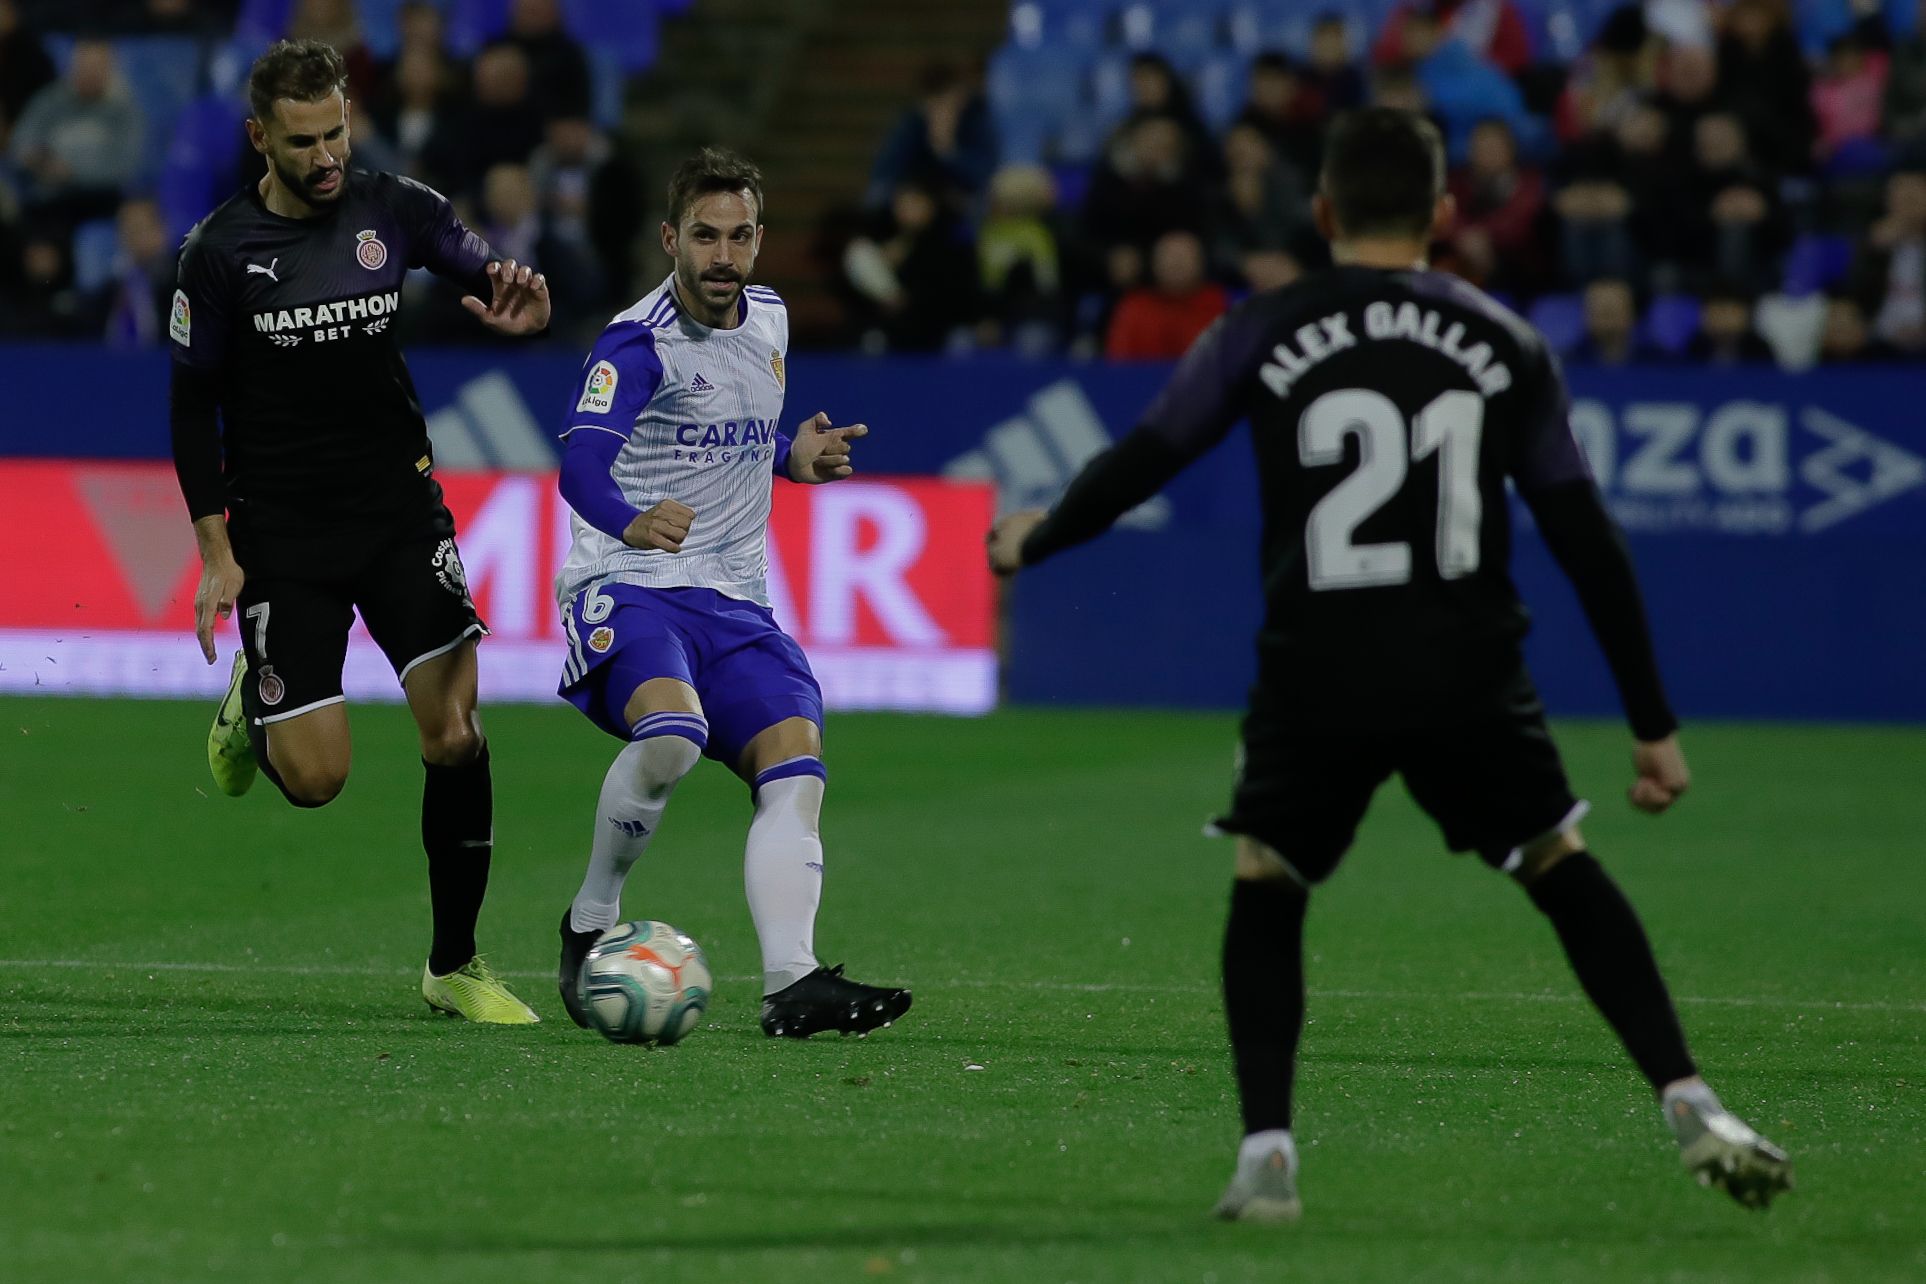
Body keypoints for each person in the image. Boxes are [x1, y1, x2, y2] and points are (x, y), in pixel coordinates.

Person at [986, 107, 1792, 1222]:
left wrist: (1038, 538)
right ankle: (1692, 1100)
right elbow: (1585, 542)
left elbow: (1145, 459)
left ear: (1320, 214)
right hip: (1468, 667)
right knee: (1558, 863)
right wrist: (1653, 724)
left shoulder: (1261, 328)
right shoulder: (1506, 340)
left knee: (1270, 878)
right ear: (1444, 217)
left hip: (1317, 666)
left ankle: (1267, 1154)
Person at [169, 40, 550, 1023]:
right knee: (316, 781)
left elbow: (477, 261)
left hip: (396, 511)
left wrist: (516, 295)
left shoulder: (393, 208)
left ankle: (455, 965)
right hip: (283, 533)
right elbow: (188, 409)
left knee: (456, 732)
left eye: (338, 129)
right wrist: (217, 550)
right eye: (305, 140)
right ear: (263, 138)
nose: (329, 152)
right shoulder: (218, 254)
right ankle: (259, 699)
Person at [551, 146, 912, 1041]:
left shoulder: (772, 318)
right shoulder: (635, 344)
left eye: (739, 237)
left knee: (795, 760)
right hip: (628, 583)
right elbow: (579, 464)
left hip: (736, 598)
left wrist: (792, 456)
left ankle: (792, 981)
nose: (722, 256)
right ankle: (591, 918)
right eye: (704, 237)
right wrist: (629, 519)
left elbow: (740, 432)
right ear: (671, 239)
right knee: (673, 735)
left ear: (760, 240)